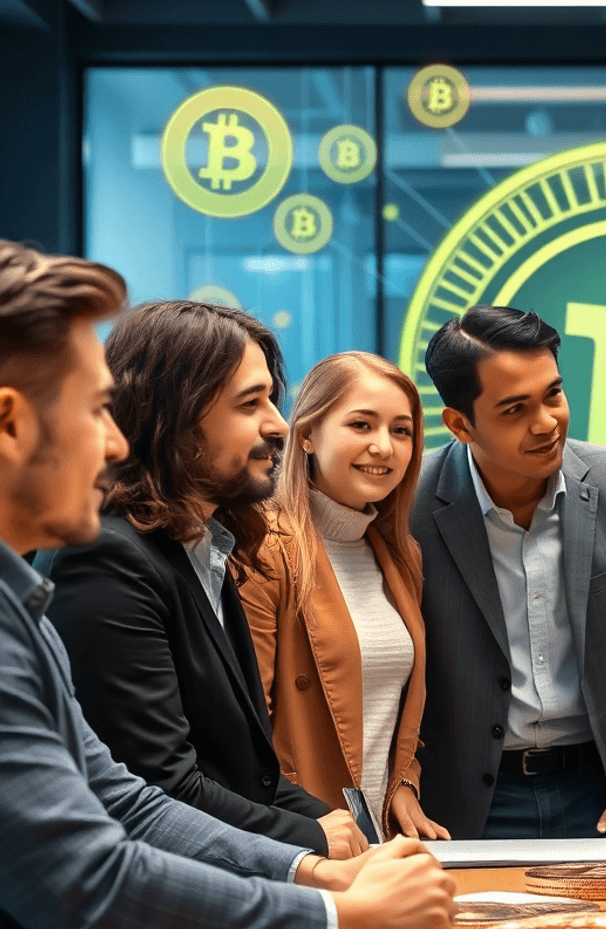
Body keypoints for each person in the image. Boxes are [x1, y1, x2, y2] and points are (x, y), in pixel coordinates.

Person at [0, 242, 454, 929]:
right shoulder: (89, 567)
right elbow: (92, 878)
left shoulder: (23, 605)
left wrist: (313, 873)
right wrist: (339, 912)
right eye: (95, 411)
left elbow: (126, 800)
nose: (113, 445)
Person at [44, 301, 366, 858]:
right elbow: (156, 791)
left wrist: (356, 836)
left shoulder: (204, 547)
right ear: (174, 417)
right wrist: (311, 838)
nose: (279, 424)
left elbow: (245, 776)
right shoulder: (106, 559)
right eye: (250, 403)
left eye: (271, 398)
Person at [412, 305, 606, 840]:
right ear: (460, 424)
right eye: (514, 410)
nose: (546, 423)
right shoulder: (410, 505)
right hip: (461, 804)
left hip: (597, 789)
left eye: (553, 394)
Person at [241, 352, 449, 842]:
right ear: (308, 434)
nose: (384, 446)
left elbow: (390, 713)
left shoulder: (399, 555)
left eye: (401, 431)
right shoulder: (262, 548)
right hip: (299, 837)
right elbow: (247, 727)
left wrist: (403, 781)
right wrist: (301, 827)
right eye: (361, 424)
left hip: (377, 838)